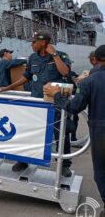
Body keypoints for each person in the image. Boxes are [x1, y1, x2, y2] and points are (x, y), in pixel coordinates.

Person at [0, 30, 72, 177]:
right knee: (29, 132)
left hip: (56, 104)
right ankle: (23, 160)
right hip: (36, 103)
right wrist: (8, 87)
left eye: (34, 42)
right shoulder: (33, 58)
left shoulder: (61, 55)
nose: (32, 44)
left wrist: (54, 55)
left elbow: (65, 72)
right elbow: (26, 77)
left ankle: (64, 164)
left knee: (61, 134)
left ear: (43, 43)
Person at [43, 44, 105, 217]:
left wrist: (56, 94)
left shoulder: (89, 81)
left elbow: (74, 107)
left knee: (101, 171)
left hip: (101, 131)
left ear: (96, 60)